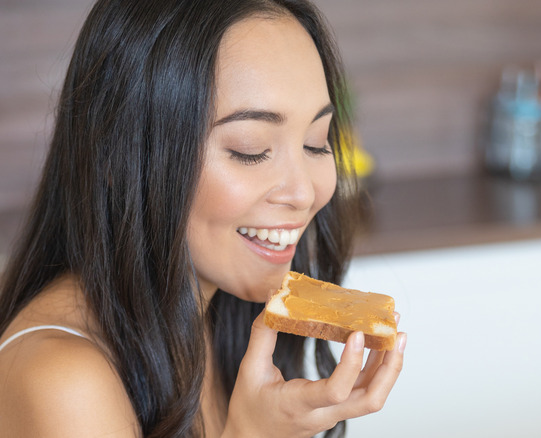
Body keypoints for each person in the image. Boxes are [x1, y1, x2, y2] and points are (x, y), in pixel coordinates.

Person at [0, 0, 406, 436]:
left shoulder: (217, 317)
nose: (304, 193)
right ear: (120, 159)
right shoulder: (63, 382)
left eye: (315, 142)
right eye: (250, 150)